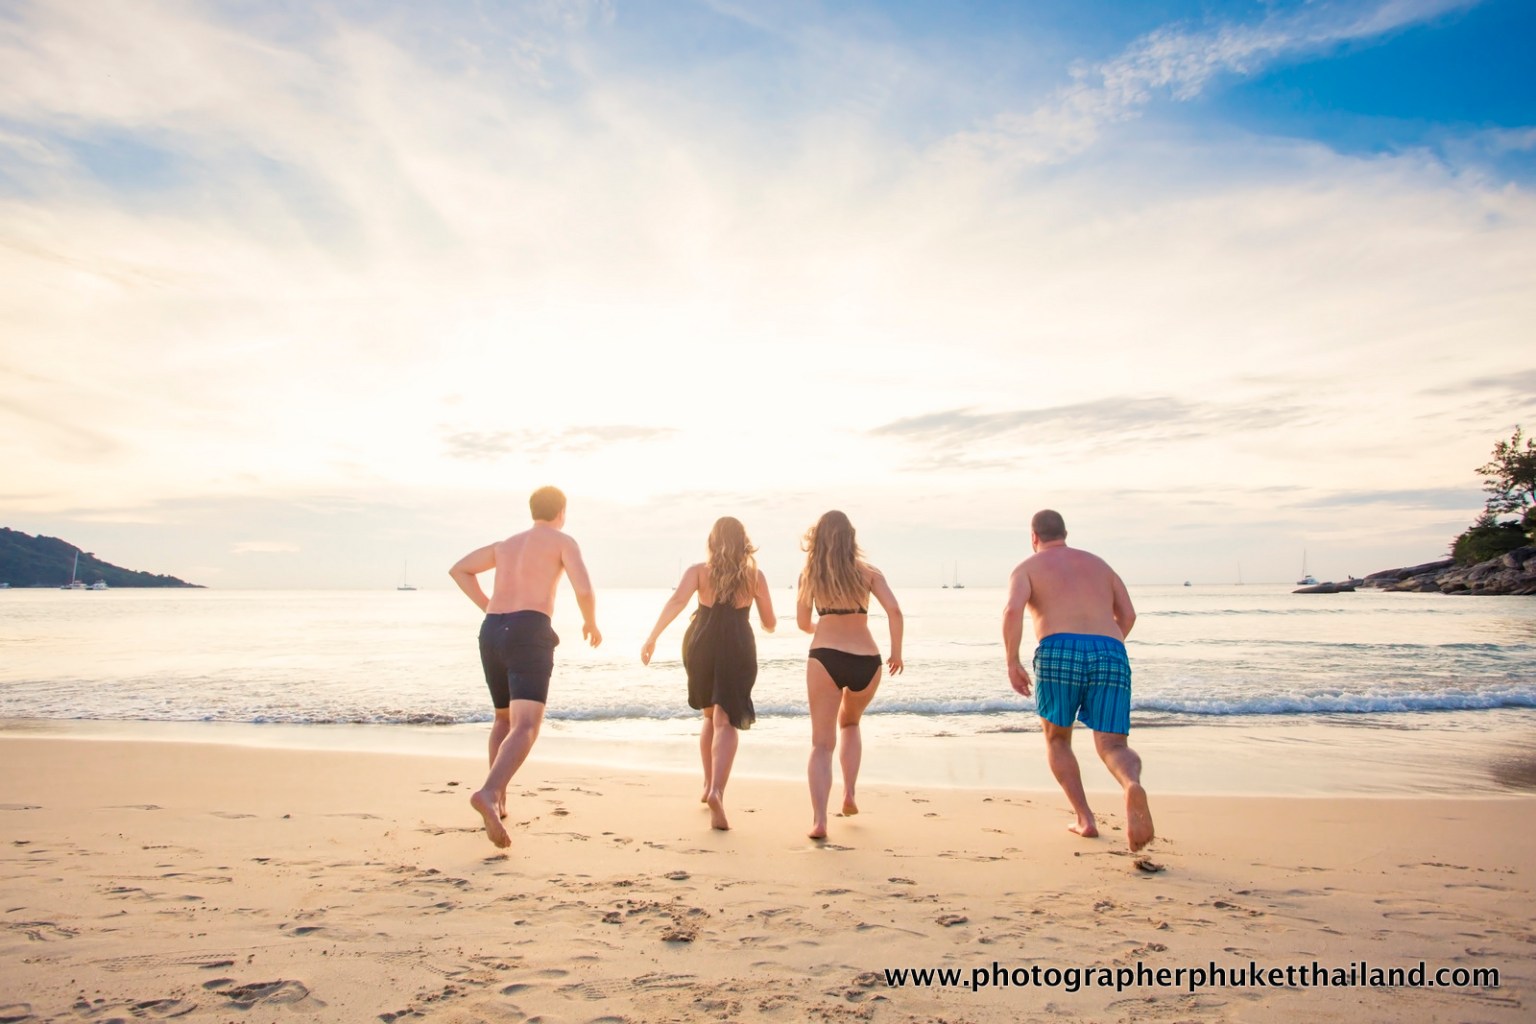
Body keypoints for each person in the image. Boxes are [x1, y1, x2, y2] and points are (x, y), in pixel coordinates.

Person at [449, 485, 601, 849]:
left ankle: (499, 802)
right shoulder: (563, 541)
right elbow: (583, 589)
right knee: (527, 725)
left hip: (492, 631)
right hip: (528, 629)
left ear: (533, 510)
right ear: (562, 511)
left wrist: (489, 606)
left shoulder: (505, 545)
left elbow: (459, 570)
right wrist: (590, 622)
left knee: (502, 719)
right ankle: (489, 792)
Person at [1002, 509, 1152, 852]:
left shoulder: (1028, 567)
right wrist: (1109, 647)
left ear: (1034, 536)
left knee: (1057, 739)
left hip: (1059, 649)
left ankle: (1085, 819)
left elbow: (1012, 611)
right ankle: (1131, 785)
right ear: (1065, 532)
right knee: (1114, 745)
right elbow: (1127, 615)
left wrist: (1012, 661)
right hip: (1110, 649)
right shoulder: (1099, 565)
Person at [641, 517, 776, 831]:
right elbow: (769, 622)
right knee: (725, 719)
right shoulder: (755, 576)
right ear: (744, 541)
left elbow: (676, 602)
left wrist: (652, 637)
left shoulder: (698, 571)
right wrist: (766, 619)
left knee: (708, 716)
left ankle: (706, 784)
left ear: (713, 541)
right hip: (738, 646)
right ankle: (717, 789)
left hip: (700, 644)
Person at [796, 510, 903, 840]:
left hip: (824, 658)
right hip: (866, 660)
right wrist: (896, 652)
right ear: (851, 537)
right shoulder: (869, 573)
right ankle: (849, 795)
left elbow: (802, 623)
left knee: (821, 744)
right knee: (851, 723)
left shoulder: (810, 575)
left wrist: (822, 627)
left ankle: (819, 821)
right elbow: (895, 612)